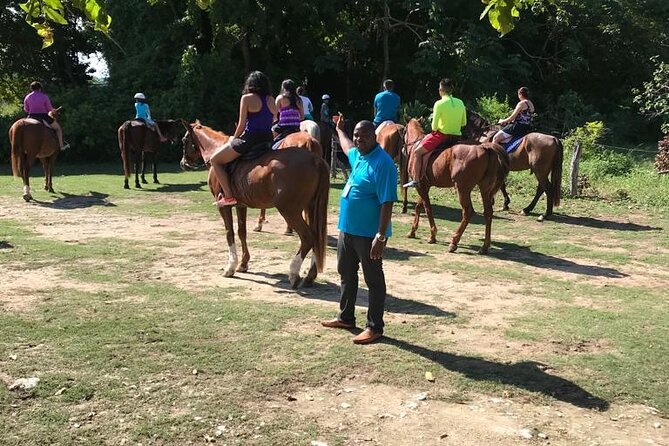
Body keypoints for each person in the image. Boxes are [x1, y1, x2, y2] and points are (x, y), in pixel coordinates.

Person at [321, 115, 398, 345]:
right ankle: (346, 317)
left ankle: (375, 327)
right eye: (356, 135)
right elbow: (347, 147)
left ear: (374, 137)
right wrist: (340, 130)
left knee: (373, 279)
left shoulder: (382, 164)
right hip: (347, 229)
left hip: (368, 233)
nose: (358, 139)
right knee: (346, 272)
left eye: (364, 135)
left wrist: (381, 235)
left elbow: (387, 203)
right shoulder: (359, 156)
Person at [209, 71, 277, 207]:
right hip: (268, 139)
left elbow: (241, 124)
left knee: (215, 160)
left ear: (250, 84)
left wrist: (233, 138)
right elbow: (275, 119)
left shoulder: (246, 98)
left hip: (250, 139)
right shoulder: (271, 99)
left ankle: (228, 195)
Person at [404, 78, 466, 188]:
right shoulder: (460, 102)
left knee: (417, 152)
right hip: (457, 137)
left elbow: (434, 127)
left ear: (441, 90)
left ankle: (416, 180)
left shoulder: (439, 103)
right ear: (451, 90)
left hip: (441, 136)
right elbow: (463, 123)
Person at [23, 81, 68, 150]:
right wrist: (54, 110)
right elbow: (49, 108)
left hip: (31, 117)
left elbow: (26, 109)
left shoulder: (27, 97)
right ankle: (61, 145)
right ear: (40, 88)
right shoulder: (44, 96)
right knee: (58, 128)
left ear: (31, 89)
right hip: (43, 116)